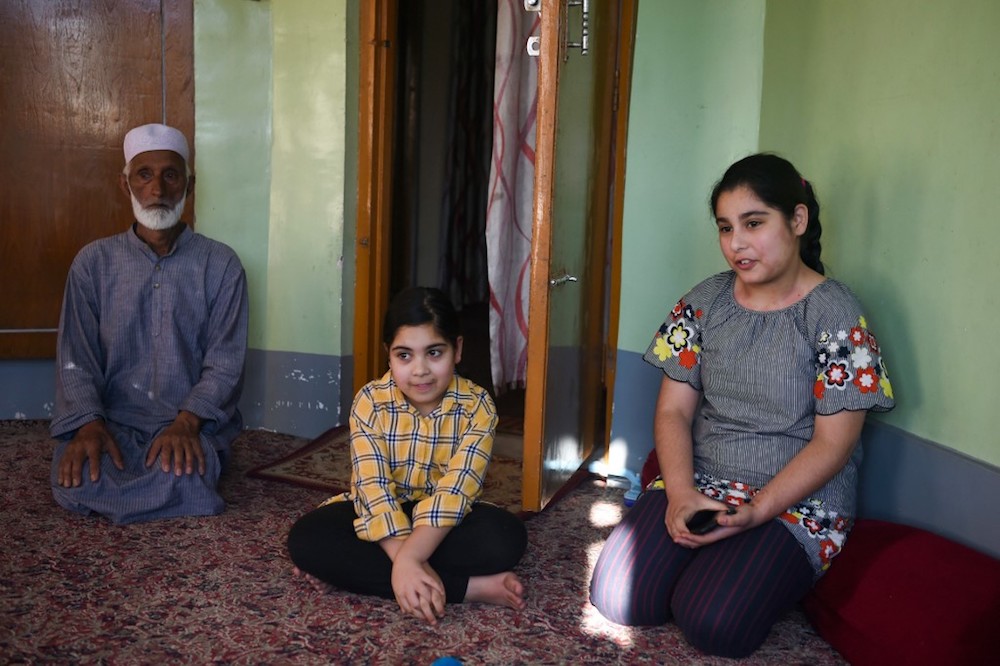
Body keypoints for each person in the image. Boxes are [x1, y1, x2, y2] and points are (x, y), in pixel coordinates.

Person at [589, 153, 895, 657]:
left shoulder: (835, 312)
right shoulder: (705, 301)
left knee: (714, 623)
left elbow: (834, 445)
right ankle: (718, 551)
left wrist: (756, 512)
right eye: (726, 227)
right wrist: (682, 494)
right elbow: (673, 412)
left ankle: (742, 561)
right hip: (704, 477)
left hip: (795, 502)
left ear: (797, 220)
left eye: (754, 223)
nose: (737, 243)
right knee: (619, 598)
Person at [287, 287, 528, 625]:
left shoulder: (478, 406)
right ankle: (467, 588)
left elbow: (457, 491)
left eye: (433, 353)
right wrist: (405, 558)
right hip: (381, 516)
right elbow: (373, 490)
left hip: (443, 522)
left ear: (457, 349)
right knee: (307, 539)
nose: (420, 371)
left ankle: (380, 574)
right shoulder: (370, 401)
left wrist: (410, 558)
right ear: (388, 355)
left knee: (505, 538)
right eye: (404, 355)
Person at [50, 123, 249, 524]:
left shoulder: (221, 265)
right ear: (126, 186)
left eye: (170, 175)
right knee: (75, 476)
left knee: (185, 472)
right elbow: (76, 358)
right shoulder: (93, 263)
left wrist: (187, 423)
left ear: (188, 187)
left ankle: (167, 477)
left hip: (189, 422)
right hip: (112, 421)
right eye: (144, 175)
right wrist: (89, 424)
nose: (157, 189)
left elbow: (225, 364)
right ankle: (155, 488)